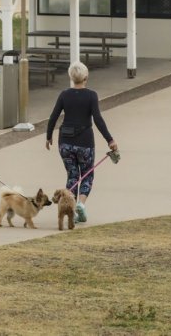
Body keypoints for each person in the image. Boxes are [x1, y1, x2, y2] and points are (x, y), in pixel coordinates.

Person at [45, 61, 117, 224]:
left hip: (65, 143)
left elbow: (53, 116)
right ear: (86, 77)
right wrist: (109, 139)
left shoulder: (64, 95)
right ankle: (81, 205)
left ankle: (71, 208)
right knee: (87, 175)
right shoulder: (91, 95)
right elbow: (98, 119)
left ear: (71, 77)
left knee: (72, 175)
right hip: (85, 143)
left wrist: (49, 136)